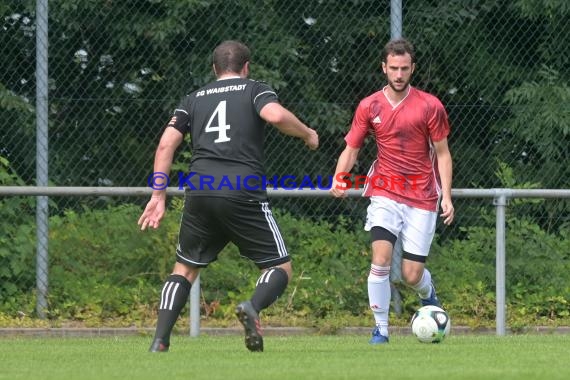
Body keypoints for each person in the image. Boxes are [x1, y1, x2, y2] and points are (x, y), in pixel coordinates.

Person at [138, 40, 319, 353]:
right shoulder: (253, 89)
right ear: (246, 68)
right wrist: (307, 133)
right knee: (279, 268)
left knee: (184, 268)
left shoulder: (193, 99)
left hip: (200, 189)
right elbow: (275, 116)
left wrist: (158, 195)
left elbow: (166, 144)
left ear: (214, 69)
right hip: (241, 189)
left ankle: (159, 341)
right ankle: (251, 307)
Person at [330, 38, 454, 344]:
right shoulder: (369, 105)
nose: (398, 74)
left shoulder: (430, 105)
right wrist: (339, 176)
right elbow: (352, 148)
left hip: (423, 196)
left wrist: (447, 195)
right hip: (385, 190)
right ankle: (381, 329)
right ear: (384, 68)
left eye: (404, 69)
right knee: (381, 258)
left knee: (411, 275)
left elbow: (442, 153)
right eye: (393, 68)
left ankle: (428, 293)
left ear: (412, 68)